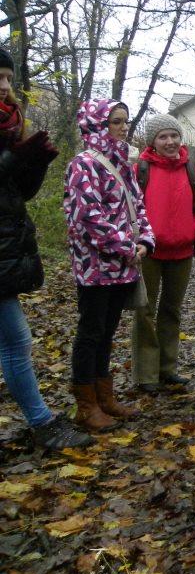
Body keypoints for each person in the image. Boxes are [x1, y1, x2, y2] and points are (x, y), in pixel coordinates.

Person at [0, 47, 93, 450]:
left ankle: (42, 422)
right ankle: (42, 424)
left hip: (6, 248)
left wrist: (34, 164)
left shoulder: (9, 125)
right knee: (16, 341)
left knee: (14, 341)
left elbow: (18, 194)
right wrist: (12, 159)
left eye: (8, 78)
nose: (5, 86)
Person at [64, 97, 155, 432]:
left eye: (125, 121)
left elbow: (138, 207)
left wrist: (145, 240)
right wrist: (126, 246)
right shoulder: (83, 165)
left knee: (107, 332)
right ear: (97, 125)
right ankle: (86, 405)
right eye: (116, 121)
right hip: (95, 267)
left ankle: (105, 397)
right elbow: (88, 218)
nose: (123, 127)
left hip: (123, 265)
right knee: (91, 332)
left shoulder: (123, 163)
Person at [131, 114, 195, 392]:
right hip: (149, 253)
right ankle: (146, 375)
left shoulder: (191, 170)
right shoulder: (140, 170)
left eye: (174, 135)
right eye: (163, 137)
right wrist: (141, 239)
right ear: (152, 141)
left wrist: (191, 232)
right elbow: (129, 210)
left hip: (181, 254)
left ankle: (167, 369)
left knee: (171, 310)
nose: (170, 141)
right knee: (145, 311)